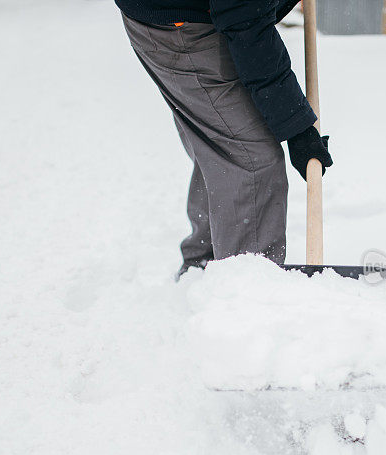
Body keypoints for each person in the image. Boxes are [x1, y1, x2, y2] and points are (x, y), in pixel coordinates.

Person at [116, 0, 333, 278]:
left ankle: (205, 264)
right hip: (182, 26)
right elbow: (246, 22)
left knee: (221, 142)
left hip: (177, 15)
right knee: (251, 160)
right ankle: (246, 292)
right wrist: (297, 129)